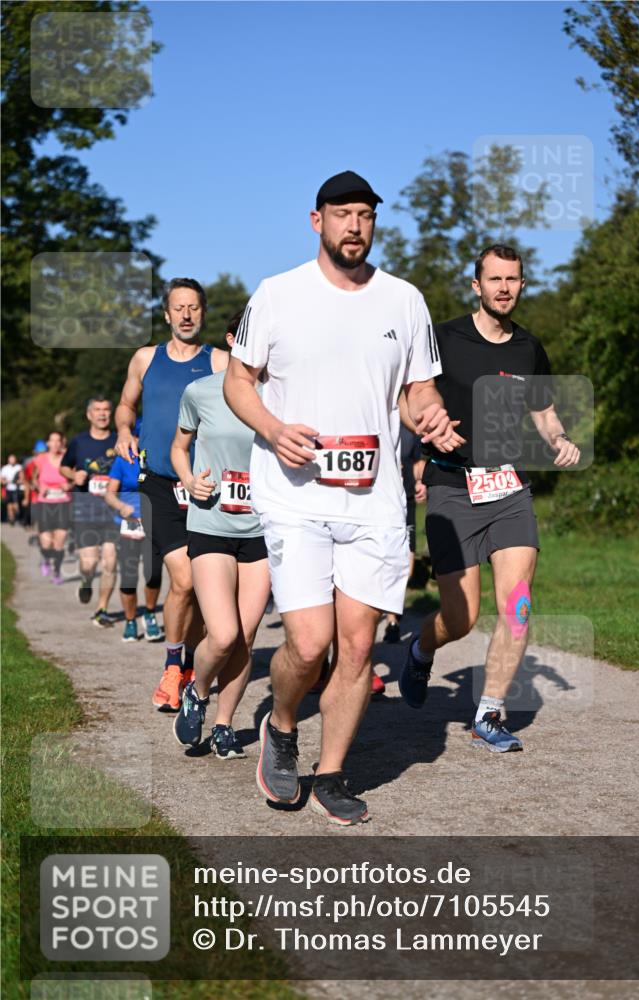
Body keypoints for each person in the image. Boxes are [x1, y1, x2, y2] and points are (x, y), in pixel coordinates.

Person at [224, 170, 462, 825]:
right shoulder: (277, 295)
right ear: (316, 221)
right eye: (341, 214)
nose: (353, 225)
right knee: (307, 643)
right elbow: (238, 381)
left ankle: (330, 775)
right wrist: (271, 428)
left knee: (356, 648)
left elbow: (416, 391)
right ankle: (280, 724)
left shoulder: (404, 301)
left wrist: (432, 416)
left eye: (363, 214)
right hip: (294, 494)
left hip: (373, 499)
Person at [400, 244, 580, 751]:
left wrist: (559, 439)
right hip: (452, 486)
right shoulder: (442, 338)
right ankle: (421, 649)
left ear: (523, 285)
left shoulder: (529, 348)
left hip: (508, 486)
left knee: (517, 605)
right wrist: (426, 428)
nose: (504, 287)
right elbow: (404, 395)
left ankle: (490, 712)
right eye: (494, 279)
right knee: (460, 617)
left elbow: (543, 409)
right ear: (476, 285)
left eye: (513, 279)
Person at [114, 278, 228, 711]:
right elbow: (126, 404)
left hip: (207, 486)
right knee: (182, 578)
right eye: (178, 308)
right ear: (166, 315)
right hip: (158, 483)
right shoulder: (146, 358)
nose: (186, 315)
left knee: (204, 586)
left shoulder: (219, 362)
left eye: (193, 308)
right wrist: (125, 429)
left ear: (202, 313)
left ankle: (195, 664)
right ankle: (172, 665)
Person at [171, 309, 271, 759]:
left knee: (247, 638)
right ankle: (197, 690)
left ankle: (226, 724)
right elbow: (179, 447)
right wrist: (190, 481)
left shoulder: (281, 395)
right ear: (232, 340)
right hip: (211, 522)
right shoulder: (200, 392)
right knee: (225, 633)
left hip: (262, 528)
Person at [60, 397, 118, 626]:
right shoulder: (79, 442)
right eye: (97, 410)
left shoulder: (118, 440)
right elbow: (64, 466)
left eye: (106, 410)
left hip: (113, 510)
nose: (102, 414)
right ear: (89, 415)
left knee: (111, 562)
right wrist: (74, 476)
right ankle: (85, 581)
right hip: (85, 509)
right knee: (89, 563)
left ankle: (102, 610)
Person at [104, 425, 164, 643]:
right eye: (139, 436)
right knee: (129, 578)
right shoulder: (123, 460)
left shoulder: (159, 458)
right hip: (128, 524)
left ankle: (149, 614)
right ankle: (130, 620)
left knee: (154, 574)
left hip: (154, 525)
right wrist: (120, 506)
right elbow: (109, 494)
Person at [382, 418, 426, 646]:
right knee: (381, 564)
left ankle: (391, 617)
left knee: (405, 569)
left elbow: (418, 462)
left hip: (406, 503)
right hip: (379, 504)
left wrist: (421, 483)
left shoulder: (409, 427)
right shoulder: (377, 419)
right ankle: (391, 622)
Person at [31, 431, 71, 583]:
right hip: (45, 503)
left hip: (63, 502)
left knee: (60, 540)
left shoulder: (67, 459)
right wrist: (38, 487)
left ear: (61, 443)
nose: (55, 444)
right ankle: (46, 559)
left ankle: (57, 572)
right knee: (46, 542)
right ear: (47, 443)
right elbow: (33, 478)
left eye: (58, 441)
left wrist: (69, 485)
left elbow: (75, 478)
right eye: (52, 441)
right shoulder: (40, 459)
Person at [1, 454, 23, 526]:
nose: (12, 460)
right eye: (11, 459)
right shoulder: (5, 468)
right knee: (9, 505)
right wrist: (4, 481)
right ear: (8, 460)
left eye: (13, 459)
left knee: (16, 505)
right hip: (8, 489)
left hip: (17, 489)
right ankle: (12, 519)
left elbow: (22, 477)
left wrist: (19, 481)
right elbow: (1, 479)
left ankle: (18, 516)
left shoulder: (19, 467)